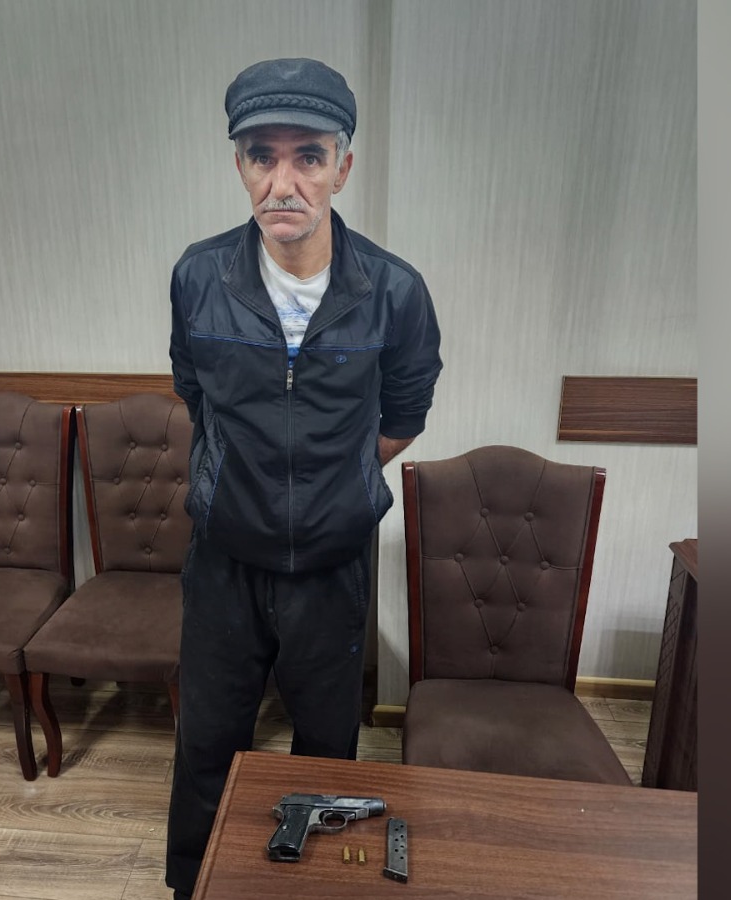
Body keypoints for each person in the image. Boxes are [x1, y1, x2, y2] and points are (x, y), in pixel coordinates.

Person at [164, 57, 442, 898]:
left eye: (308, 156)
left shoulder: (395, 291)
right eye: (262, 155)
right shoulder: (198, 277)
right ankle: (193, 885)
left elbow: (404, 415)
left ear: (341, 167)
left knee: (325, 750)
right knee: (208, 741)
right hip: (225, 560)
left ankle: (310, 886)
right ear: (239, 164)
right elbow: (194, 392)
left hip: (331, 564)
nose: (282, 182)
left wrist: (333, 481)